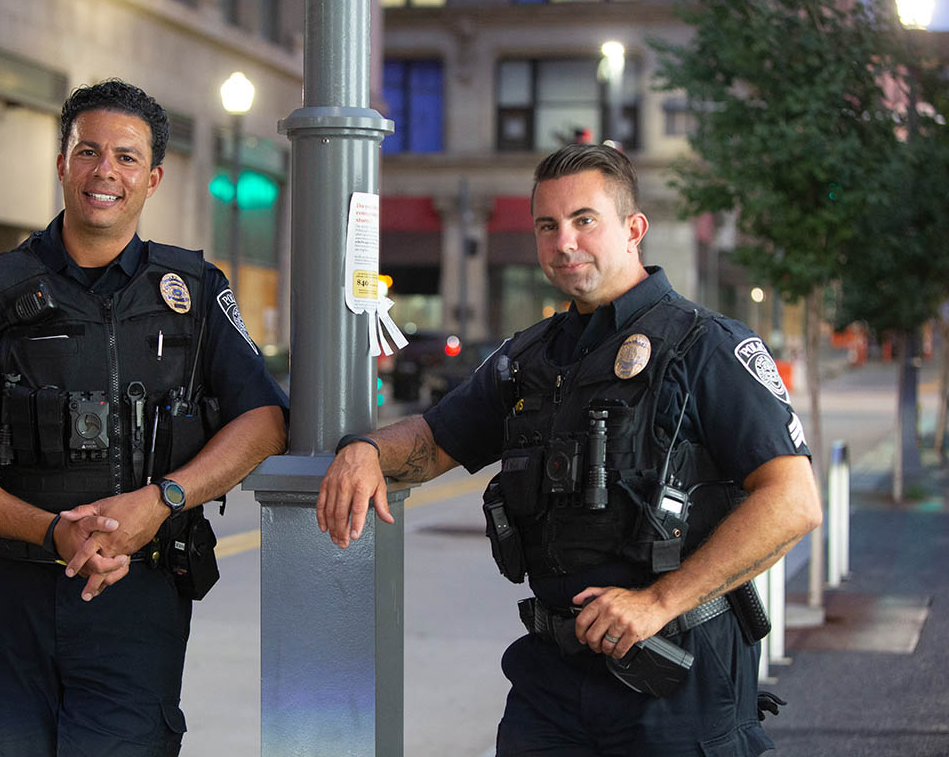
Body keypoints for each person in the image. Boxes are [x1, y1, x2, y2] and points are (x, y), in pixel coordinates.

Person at [316, 144, 821, 756]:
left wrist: (659, 602)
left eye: (585, 220)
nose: (564, 242)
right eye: (547, 225)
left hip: (676, 674)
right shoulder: (528, 358)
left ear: (634, 229)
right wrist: (365, 449)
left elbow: (793, 503)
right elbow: (432, 440)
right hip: (552, 682)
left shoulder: (706, 347)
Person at [0, 79, 288, 757]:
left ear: (154, 176)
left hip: (141, 595)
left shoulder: (192, 292)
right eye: (88, 152)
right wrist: (53, 533)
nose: (105, 172)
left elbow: (264, 422)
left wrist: (160, 502)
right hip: (12, 594)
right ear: (61, 164)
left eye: (127, 158)